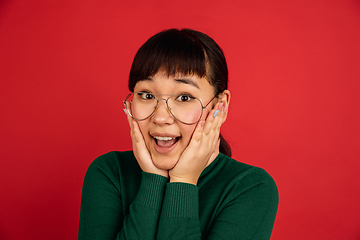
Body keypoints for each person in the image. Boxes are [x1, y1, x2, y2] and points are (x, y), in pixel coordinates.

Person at [79, 28, 278, 240]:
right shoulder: (109, 172)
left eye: (184, 97)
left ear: (220, 106)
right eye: (146, 95)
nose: (161, 117)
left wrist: (183, 181)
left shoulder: (250, 187)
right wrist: (153, 179)